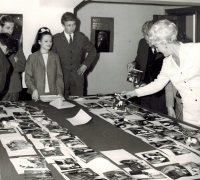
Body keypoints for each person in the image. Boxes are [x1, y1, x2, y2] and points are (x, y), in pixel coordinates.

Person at [122, 19, 200, 126]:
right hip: (189, 113)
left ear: (164, 43)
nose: (157, 50)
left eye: (156, 46)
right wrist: (133, 93)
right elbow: (157, 85)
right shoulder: (167, 62)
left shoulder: (196, 50)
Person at [51, 12, 96, 99]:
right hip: (61, 79)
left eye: (74, 24)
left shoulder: (81, 37)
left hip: (77, 78)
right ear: (63, 25)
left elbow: (93, 51)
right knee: (62, 106)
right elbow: (51, 59)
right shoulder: (56, 39)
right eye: (69, 25)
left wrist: (85, 65)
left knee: (78, 104)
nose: (72, 28)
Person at [127, 20, 167, 115]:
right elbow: (138, 60)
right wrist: (133, 63)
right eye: (145, 38)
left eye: (149, 39)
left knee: (159, 118)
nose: (148, 42)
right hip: (143, 88)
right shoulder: (142, 43)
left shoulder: (165, 47)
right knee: (144, 117)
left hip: (160, 93)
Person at [25, 27, 64, 102]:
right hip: (37, 94)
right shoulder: (32, 57)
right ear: (39, 42)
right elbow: (28, 78)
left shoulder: (55, 57)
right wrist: (33, 90)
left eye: (50, 41)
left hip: (54, 94)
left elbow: (59, 76)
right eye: (46, 41)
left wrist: (60, 93)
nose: (49, 43)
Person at [0, 15, 26, 101]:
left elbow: (22, 65)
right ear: (0, 27)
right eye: (8, 28)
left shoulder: (16, 43)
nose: (10, 31)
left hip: (13, 87)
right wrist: (14, 61)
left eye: (12, 28)